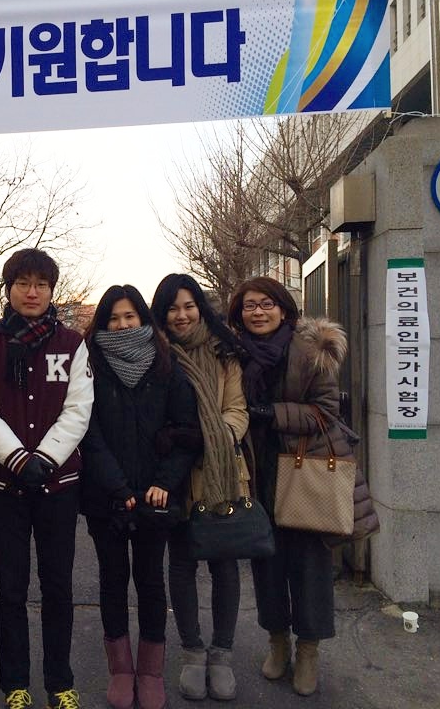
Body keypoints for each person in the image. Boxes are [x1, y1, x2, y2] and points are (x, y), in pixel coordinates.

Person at [0, 248, 93, 709]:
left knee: (58, 587)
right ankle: (15, 685)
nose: (32, 292)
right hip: (5, 486)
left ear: (52, 290)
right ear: (9, 289)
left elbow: (79, 407)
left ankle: (60, 683)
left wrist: (47, 457)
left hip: (58, 486)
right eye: (23, 283)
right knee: (10, 589)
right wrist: (19, 459)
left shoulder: (73, 344)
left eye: (41, 284)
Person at [79, 285, 201, 709]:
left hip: (155, 497)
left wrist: (165, 482)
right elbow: (86, 431)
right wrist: (116, 485)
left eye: (129, 316)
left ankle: (149, 671)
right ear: (102, 323)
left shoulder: (166, 365)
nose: (121, 324)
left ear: (143, 319)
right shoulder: (89, 365)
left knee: (150, 582)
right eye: (113, 318)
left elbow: (186, 432)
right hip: (105, 496)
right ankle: (120, 670)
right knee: (112, 580)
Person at [227, 277, 349, 697]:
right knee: (267, 564)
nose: (258, 312)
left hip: (304, 470)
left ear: (284, 309)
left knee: (310, 565)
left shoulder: (311, 350)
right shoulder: (235, 353)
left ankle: (309, 650)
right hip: (258, 472)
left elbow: (326, 411)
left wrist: (271, 413)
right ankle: (277, 642)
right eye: (249, 306)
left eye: (266, 304)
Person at [150, 274, 249, 702]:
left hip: (220, 470)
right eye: (173, 308)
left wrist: (210, 437)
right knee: (182, 563)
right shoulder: (155, 354)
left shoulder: (223, 351)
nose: (181, 315)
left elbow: (237, 410)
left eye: (189, 306)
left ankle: (221, 653)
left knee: (225, 563)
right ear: (162, 313)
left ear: (200, 308)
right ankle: (192, 651)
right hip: (174, 474)